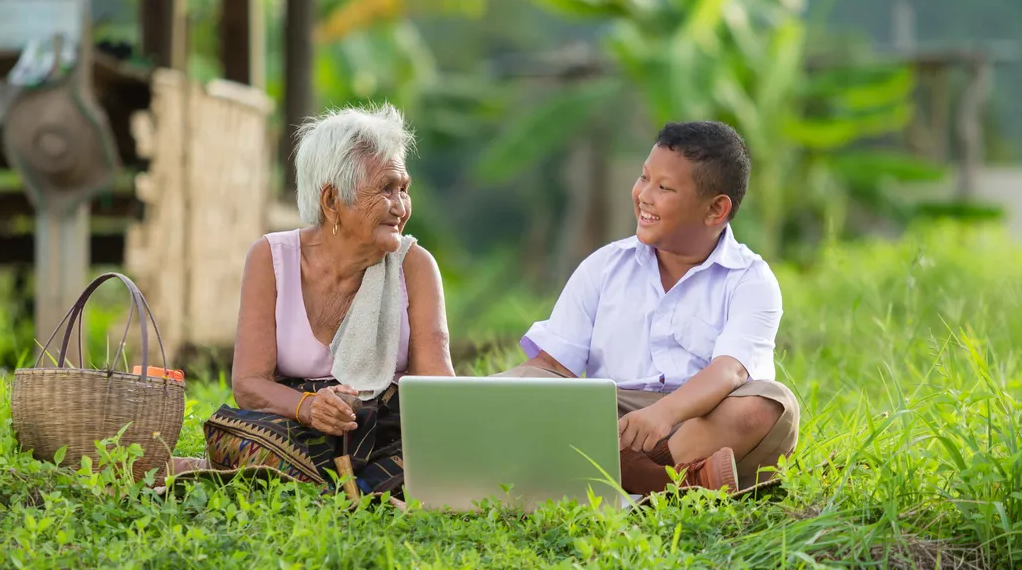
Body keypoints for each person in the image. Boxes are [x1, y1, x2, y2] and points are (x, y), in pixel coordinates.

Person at [493, 120, 799, 496]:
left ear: (716, 210)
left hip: (701, 420)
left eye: (664, 187)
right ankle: (679, 483)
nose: (643, 196)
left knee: (769, 405)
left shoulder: (750, 278)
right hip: (614, 418)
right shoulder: (604, 266)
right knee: (524, 384)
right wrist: (492, 394)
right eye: (643, 178)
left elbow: (730, 372)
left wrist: (663, 414)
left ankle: (604, 474)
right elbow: (554, 365)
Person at [170, 102, 452, 499]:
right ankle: (351, 492)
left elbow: (438, 388)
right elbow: (249, 384)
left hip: (385, 432)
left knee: (431, 460)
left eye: (403, 189)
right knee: (250, 441)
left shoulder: (416, 266)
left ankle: (302, 489)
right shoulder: (271, 258)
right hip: (296, 429)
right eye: (386, 189)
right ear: (332, 200)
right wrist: (308, 407)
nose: (400, 206)